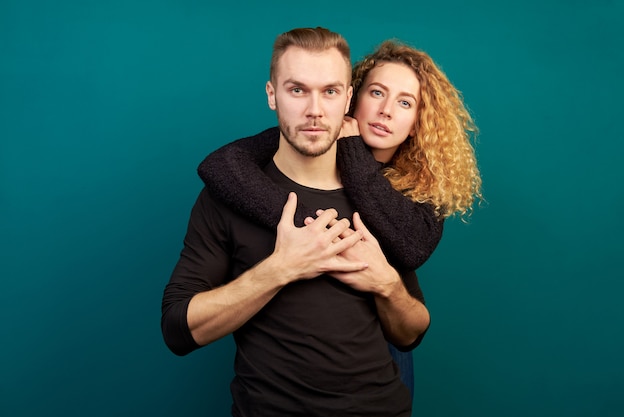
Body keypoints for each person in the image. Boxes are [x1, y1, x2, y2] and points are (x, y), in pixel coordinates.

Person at [161, 27, 430, 417]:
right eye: (297, 90)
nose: (315, 110)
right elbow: (177, 331)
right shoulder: (227, 195)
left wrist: (387, 284)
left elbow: (409, 334)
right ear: (272, 95)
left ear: (348, 100)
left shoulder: (374, 198)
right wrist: (280, 269)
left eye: (330, 92)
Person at [196, 39, 483, 396]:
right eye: (377, 93)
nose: (386, 111)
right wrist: (314, 229)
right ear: (352, 98)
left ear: (416, 124)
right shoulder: (308, 138)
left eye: (405, 102)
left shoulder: (416, 188)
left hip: (383, 348)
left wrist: (352, 152)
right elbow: (222, 164)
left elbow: (413, 250)